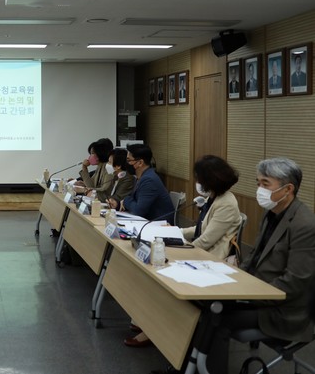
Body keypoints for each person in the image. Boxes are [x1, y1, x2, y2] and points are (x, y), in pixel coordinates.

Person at [203, 157, 315, 373]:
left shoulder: (305, 225)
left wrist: (247, 295)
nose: (259, 189)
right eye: (258, 183)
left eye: (265, 184)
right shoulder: (271, 213)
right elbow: (254, 256)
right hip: (256, 292)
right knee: (204, 305)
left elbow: (295, 282)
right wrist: (233, 279)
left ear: (288, 189)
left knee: (216, 319)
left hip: (283, 310)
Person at [124, 155, 241, 348]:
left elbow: (205, 241)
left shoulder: (227, 203)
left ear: (211, 179)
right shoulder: (214, 197)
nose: (198, 182)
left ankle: (154, 329)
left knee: (161, 275)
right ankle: (146, 320)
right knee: (150, 273)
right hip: (201, 253)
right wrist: (174, 231)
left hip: (212, 261)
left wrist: (176, 247)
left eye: (200, 178)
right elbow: (199, 229)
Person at [106, 143, 174, 224]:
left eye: (129, 160)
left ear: (140, 163)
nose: (126, 163)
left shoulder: (149, 180)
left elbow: (138, 210)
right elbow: (135, 203)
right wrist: (117, 205)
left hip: (159, 225)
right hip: (146, 221)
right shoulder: (140, 177)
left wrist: (125, 200)